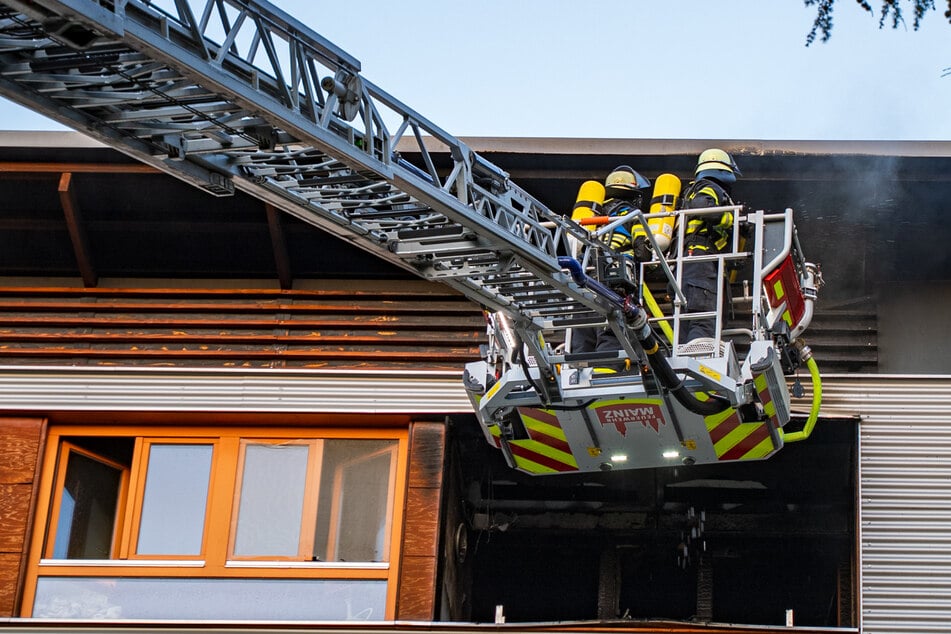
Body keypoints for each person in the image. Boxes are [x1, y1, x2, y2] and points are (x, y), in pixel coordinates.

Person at [571, 165, 651, 370]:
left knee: (585, 325)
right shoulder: (632, 214)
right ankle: (607, 369)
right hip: (615, 279)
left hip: (586, 278)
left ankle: (580, 370)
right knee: (612, 325)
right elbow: (642, 251)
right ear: (632, 193)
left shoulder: (593, 215)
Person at [677, 148, 741, 345]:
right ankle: (699, 361)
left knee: (687, 324)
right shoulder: (709, 186)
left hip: (692, 264)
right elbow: (702, 206)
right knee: (703, 321)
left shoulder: (697, 188)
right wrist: (732, 218)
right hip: (700, 263)